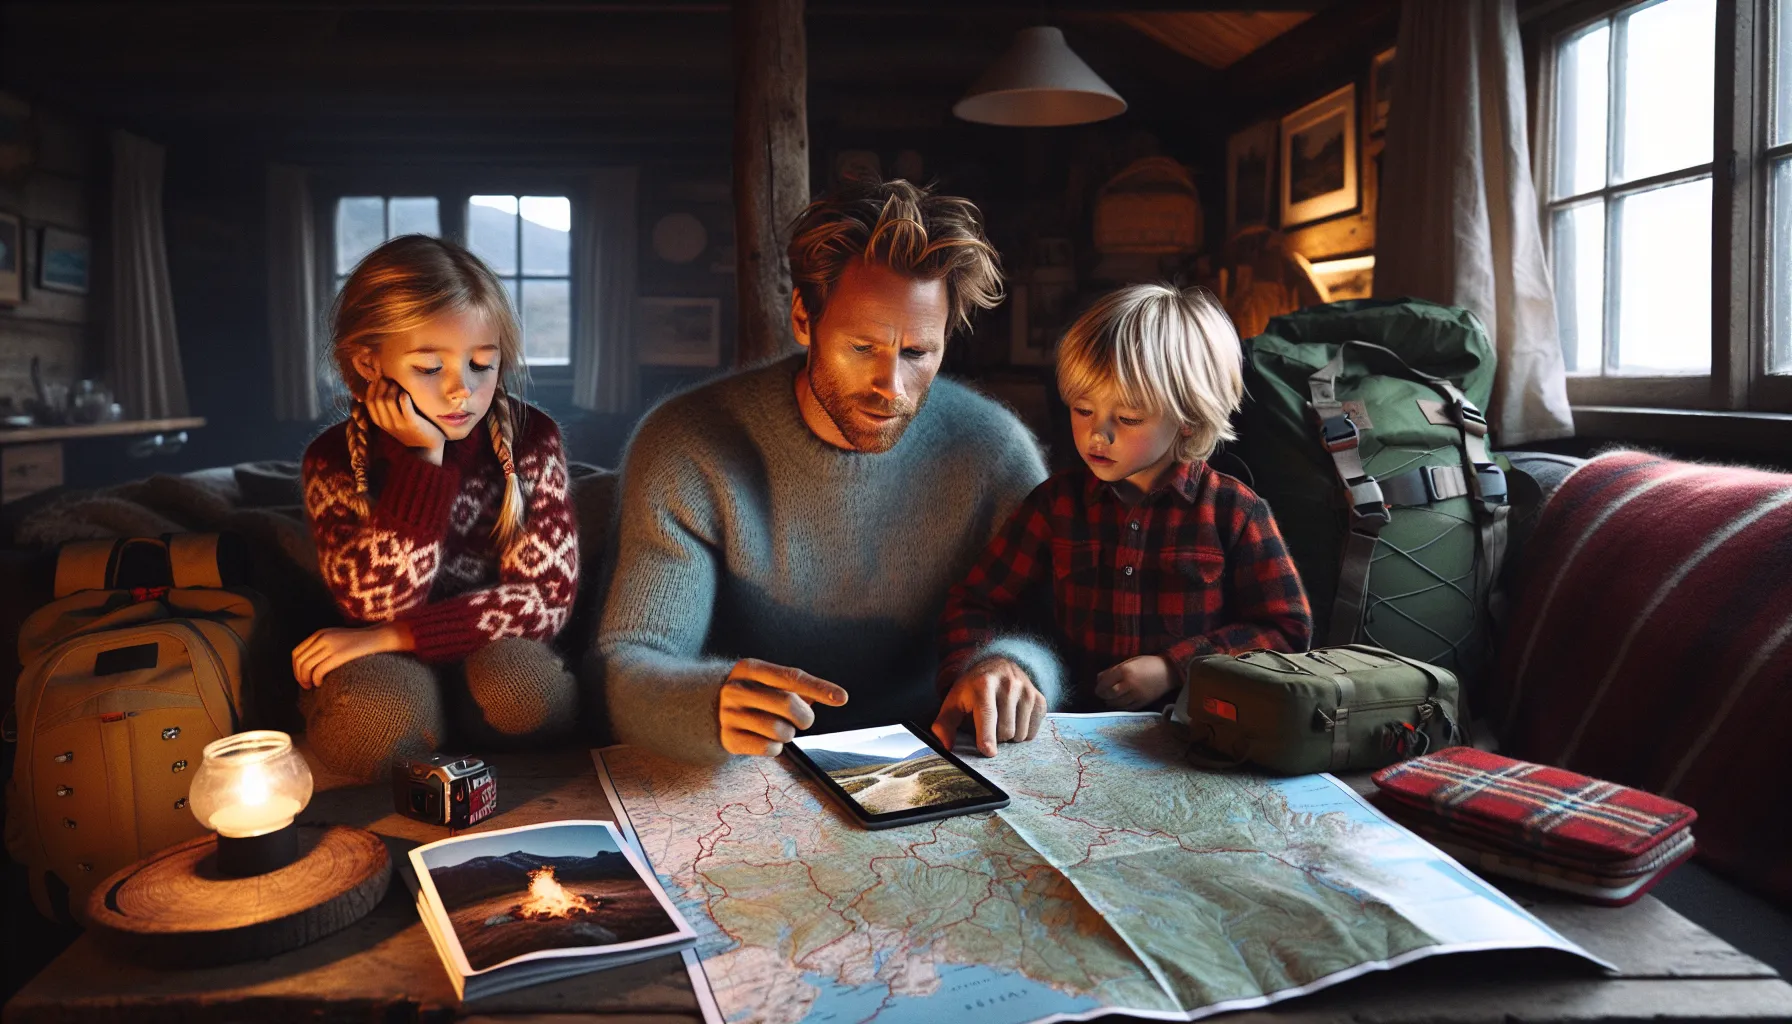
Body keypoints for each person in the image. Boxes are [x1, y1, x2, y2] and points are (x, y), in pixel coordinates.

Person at [599, 179, 1060, 764]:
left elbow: (1050, 634)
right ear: (802, 318)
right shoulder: (688, 444)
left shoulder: (995, 450)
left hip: (940, 754)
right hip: (751, 769)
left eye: (918, 354)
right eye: (862, 347)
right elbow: (634, 661)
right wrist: (702, 702)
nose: (890, 388)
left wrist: (1014, 667)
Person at [937, 284, 1312, 719]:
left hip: (1195, 736)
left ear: (1189, 420)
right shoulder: (1055, 505)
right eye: (1082, 410)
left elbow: (1287, 630)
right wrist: (982, 667)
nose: (1099, 434)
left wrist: (1174, 667)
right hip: (1074, 736)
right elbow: (973, 602)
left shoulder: (1234, 512)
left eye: (1129, 418)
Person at [293, 234, 580, 782]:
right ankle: (435, 726)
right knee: (367, 731)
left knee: (527, 696)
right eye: (429, 368)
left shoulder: (531, 439)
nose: (461, 392)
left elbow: (544, 600)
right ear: (368, 363)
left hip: (498, 646)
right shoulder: (331, 460)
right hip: (384, 654)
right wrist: (424, 465)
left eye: (482, 365)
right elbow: (375, 605)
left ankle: (465, 724)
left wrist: (396, 635)